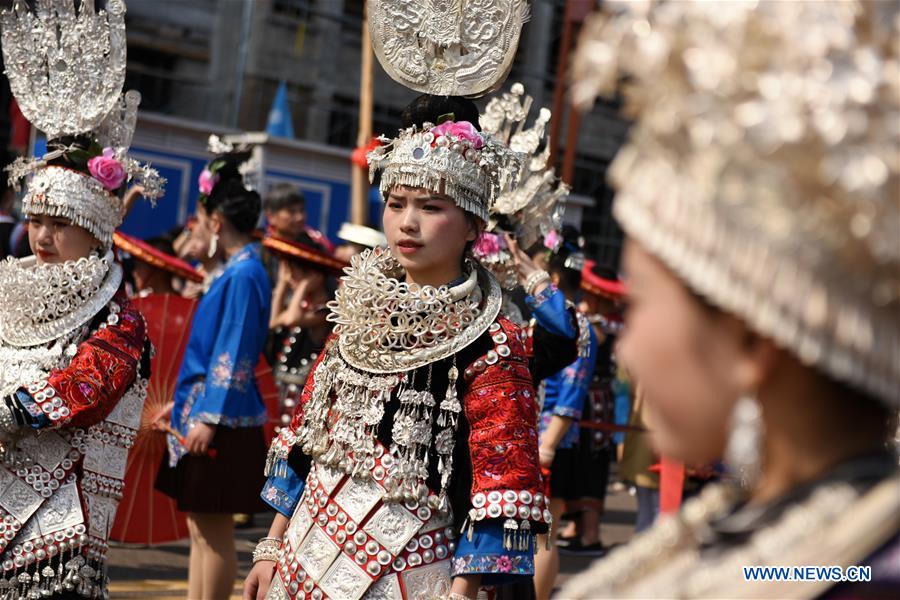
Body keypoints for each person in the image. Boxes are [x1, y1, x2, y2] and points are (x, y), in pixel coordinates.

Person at [561, 2, 899, 597]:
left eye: (639, 306)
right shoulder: (784, 548)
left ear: (748, 338)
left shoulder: (860, 575)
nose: (629, 350)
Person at [243, 113, 551, 600]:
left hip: (418, 569)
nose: (407, 223)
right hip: (305, 553)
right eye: (395, 204)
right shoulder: (356, 311)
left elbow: (501, 479)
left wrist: (463, 591)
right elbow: (309, 433)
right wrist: (270, 544)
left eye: (430, 207)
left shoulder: (493, 341)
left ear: (472, 225)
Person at [0, 1, 165, 597]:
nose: (42, 236)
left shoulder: (117, 315)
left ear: (95, 227)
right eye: (36, 218)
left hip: (59, 516)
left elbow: (89, 385)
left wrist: (10, 412)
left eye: (60, 222)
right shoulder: (8, 286)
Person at [156, 149, 272, 600]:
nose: (199, 228)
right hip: (205, 411)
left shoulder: (244, 274)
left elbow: (234, 352)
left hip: (221, 419)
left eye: (202, 219)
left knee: (213, 528)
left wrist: (208, 416)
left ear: (218, 221)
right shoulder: (237, 272)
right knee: (201, 526)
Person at [526, 229, 599, 600]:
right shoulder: (549, 322)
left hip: (552, 442)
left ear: (552, 279)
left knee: (543, 532)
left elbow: (570, 396)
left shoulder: (578, 325)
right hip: (535, 437)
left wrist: (547, 447)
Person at [264, 234, 342, 432]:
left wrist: (304, 285)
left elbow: (290, 319)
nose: (290, 278)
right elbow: (273, 322)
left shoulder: (327, 311)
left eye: (294, 272)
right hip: (280, 400)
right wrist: (282, 284)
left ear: (313, 275)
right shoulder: (301, 308)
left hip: (301, 405)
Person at [260, 183, 334, 285]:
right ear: (271, 216)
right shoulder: (261, 249)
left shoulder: (313, 249)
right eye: (292, 212)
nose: (300, 217)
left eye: (302, 210)